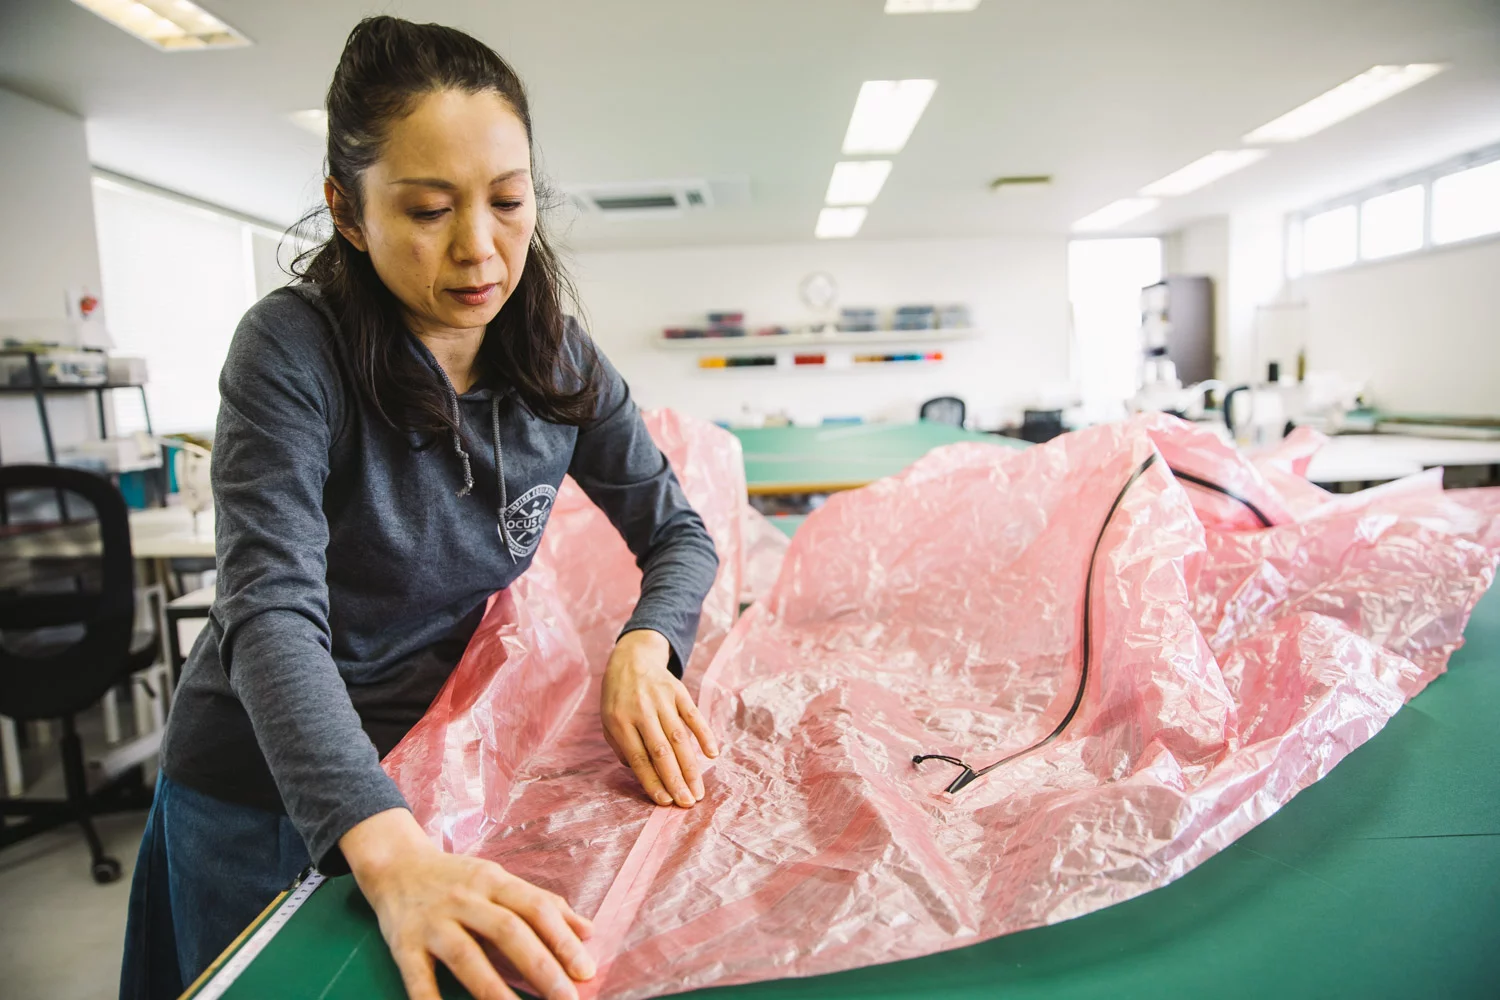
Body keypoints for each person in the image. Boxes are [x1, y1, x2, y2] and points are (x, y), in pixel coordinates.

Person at [119, 17, 721, 1000]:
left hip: (430, 773)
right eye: (430, 209)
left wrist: (646, 644)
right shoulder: (290, 350)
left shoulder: (557, 361)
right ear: (346, 212)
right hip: (263, 787)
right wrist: (391, 854)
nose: (481, 249)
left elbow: (679, 533)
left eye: (509, 201)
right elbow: (269, 614)